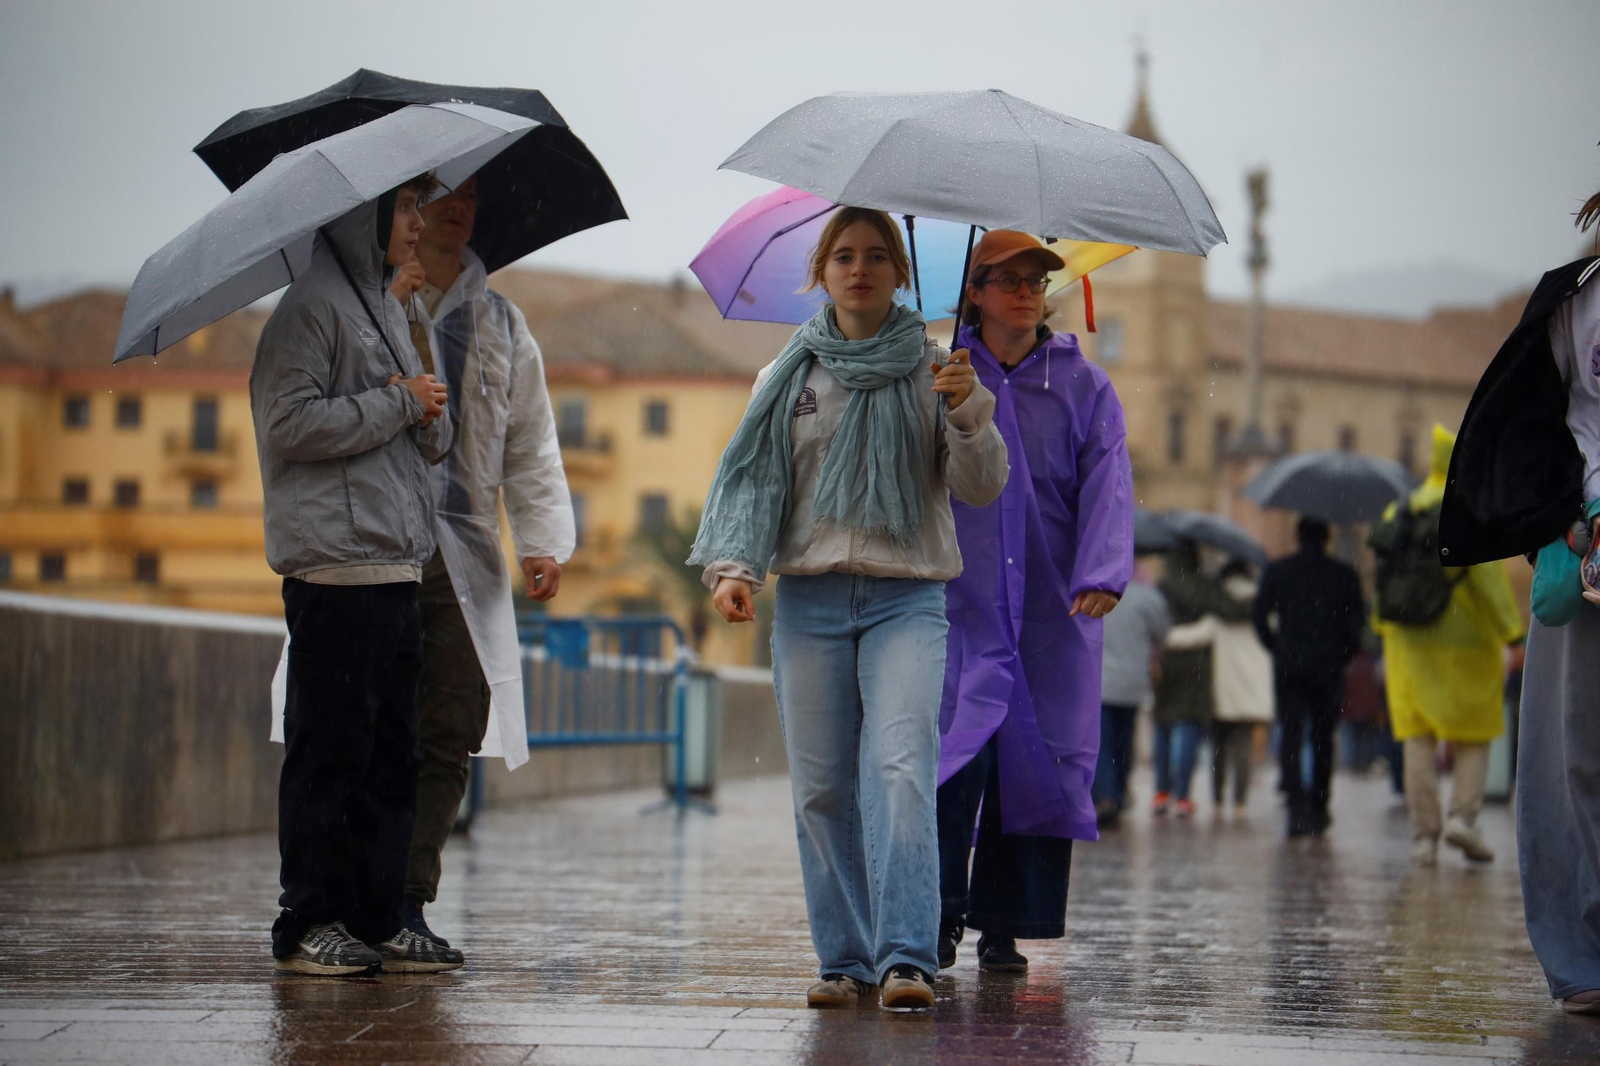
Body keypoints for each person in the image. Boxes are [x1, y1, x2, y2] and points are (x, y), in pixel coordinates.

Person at [690, 208, 1008, 1011]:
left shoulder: (938, 370)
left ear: (901, 273)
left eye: (875, 256)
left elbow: (979, 486)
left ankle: (907, 955)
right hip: (810, 600)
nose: (858, 268)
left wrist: (970, 410)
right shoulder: (785, 377)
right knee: (822, 790)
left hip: (909, 599)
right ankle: (845, 960)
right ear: (820, 273)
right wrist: (735, 568)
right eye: (842, 256)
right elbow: (755, 481)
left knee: (901, 774)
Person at [251, 175, 462, 975]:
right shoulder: (311, 310)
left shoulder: (387, 309)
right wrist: (399, 402)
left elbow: (426, 430)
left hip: (396, 565)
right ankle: (308, 921)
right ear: (362, 215)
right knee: (329, 752)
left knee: (389, 756)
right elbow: (287, 422)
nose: (418, 223)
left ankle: (376, 917)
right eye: (406, 207)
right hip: (336, 570)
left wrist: (419, 392)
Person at [934, 230, 1133, 974]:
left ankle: (1006, 924)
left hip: (1055, 608)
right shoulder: (941, 372)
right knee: (953, 761)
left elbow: (1110, 479)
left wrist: (1103, 570)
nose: (1024, 290)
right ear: (974, 292)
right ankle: (937, 915)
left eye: (1034, 280)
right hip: (958, 599)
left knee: (1040, 767)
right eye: (1006, 278)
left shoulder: (1084, 386)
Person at [387, 174, 576, 954]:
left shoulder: (501, 321)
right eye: (437, 192)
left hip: (465, 545)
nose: (458, 204)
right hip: (382, 541)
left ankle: (408, 902)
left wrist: (541, 539)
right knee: (372, 722)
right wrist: (395, 309)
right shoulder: (376, 307)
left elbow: (530, 440)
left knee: (451, 725)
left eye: (469, 192)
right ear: (405, 208)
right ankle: (348, 894)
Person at [1375, 426, 1524, 867]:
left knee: (1417, 737)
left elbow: (1383, 582)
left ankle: (1424, 838)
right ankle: (1463, 817)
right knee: (1474, 733)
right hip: (1466, 645)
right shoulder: (1468, 513)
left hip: (1408, 644)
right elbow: (1489, 584)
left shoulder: (1397, 510)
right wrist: (1512, 634)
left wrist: (1382, 631)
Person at [1252, 516, 1364, 837]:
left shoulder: (1279, 571)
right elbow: (1356, 629)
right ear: (1328, 537)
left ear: (1297, 536)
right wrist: (1340, 655)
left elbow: (1259, 617)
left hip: (1290, 663)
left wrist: (1277, 647)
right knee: (1322, 737)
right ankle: (1319, 804)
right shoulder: (1344, 575)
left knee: (1290, 731)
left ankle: (1294, 800)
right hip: (1327, 666)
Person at [1167, 558, 1273, 815]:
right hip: (1252, 687)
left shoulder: (1219, 607)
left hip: (1224, 687)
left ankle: (1217, 800)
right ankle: (1240, 803)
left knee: (1219, 746)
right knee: (1244, 746)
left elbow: (1192, 636)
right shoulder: (1264, 606)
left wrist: (1161, 636)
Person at [1154, 540, 1248, 818]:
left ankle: (1161, 792)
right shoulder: (1203, 583)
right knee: (1188, 725)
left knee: (1164, 725)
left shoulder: (1162, 585)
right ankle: (1183, 795)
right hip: (1196, 662)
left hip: (1167, 659)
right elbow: (1232, 609)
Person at [1094, 564, 1172, 825]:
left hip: (1101, 681)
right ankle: (1117, 790)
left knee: (1102, 743)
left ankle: (1105, 796)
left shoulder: (1093, 591)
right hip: (1132, 683)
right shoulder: (1148, 597)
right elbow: (1163, 632)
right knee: (1123, 742)